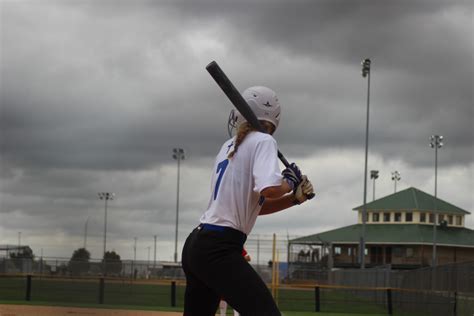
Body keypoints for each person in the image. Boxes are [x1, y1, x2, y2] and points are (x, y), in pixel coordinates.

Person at [181, 86, 314, 315]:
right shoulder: (264, 141)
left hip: (197, 245)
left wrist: (293, 199)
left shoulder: (229, 146)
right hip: (219, 248)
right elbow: (270, 189)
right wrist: (289, 182)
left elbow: (255, 206)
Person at [219, 249, 252, 316]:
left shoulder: (236, 246)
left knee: (235, 296)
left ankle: (236, 315)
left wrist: (240, 259)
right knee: (222, 297)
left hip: (235, 275)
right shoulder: (222, 247)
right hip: (224, 275)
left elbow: (248, 258)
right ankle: (222, 314)